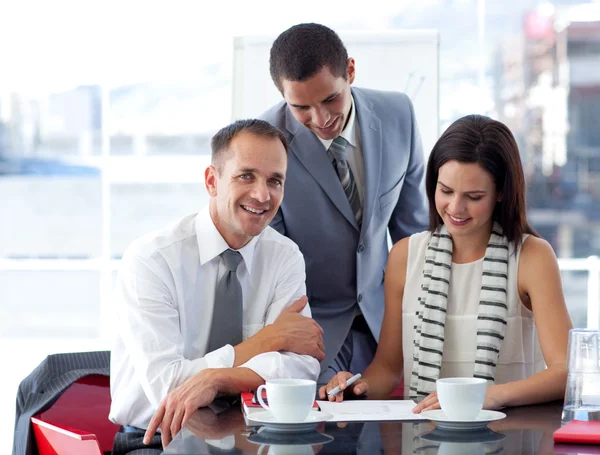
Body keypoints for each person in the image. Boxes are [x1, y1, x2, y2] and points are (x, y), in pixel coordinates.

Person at [320, 114, 572, 412]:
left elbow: (566, 373)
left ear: (501, 193)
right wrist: (355, 387)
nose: (455, 208)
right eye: (446, 191)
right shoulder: (404, 255)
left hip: (512, 432)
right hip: (422, 432)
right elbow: (387, 369)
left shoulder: (533, 257)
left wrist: (489, 396)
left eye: (474, 196)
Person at [109, 119, 324, 450]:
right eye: (246, 176)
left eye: (275, 181)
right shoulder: (152, 260)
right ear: (212, 181)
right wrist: (273, 338)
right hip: (155, 440)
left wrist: (216, 378)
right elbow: (169, 387)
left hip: (254, 437)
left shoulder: (284, 257)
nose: (262, 195)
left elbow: (302, 367)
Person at [261, 23, 429, 385]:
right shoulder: (264, 140)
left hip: (391, 327)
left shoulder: (399, 114)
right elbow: (269, 262)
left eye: (330, 99)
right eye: (301, 107)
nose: (321, 119)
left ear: (350, 71)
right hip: (310, 336)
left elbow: (414, 235)